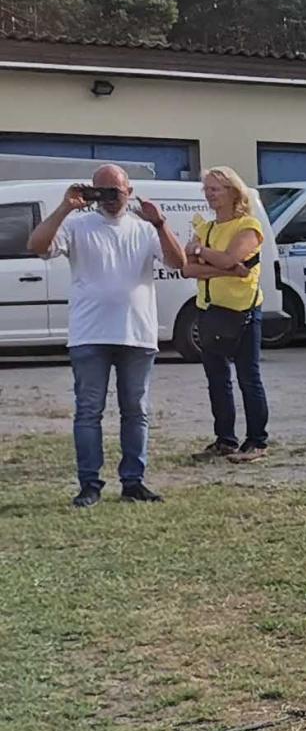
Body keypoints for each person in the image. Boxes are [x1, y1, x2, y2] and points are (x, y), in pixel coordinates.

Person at [30, 166, 185, 507]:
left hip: (137, 333)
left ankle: (133, 482)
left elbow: (178, 263)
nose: (110, 198)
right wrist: (65, 207)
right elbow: (37, 246)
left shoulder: (144, 229)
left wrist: (161, 223)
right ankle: (90, 485)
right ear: (91, 192)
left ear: (130, 191)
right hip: (90, 334)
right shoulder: (77, 225)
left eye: (116, 191)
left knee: (136, 411)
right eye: (102, 191)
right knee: (89, 412)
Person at [180, 166, 271, 462]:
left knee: (248, 377)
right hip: (209, 310)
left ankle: (257, 441)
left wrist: (202, 252)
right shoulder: (205, 229)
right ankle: (225, 439)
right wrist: (226, 269)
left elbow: (231, 257)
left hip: (242, 311)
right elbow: (187, 268)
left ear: (233, 192)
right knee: (217, 379)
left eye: (215, 189)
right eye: (206, 189)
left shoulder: (249, 226)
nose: (209, 195)